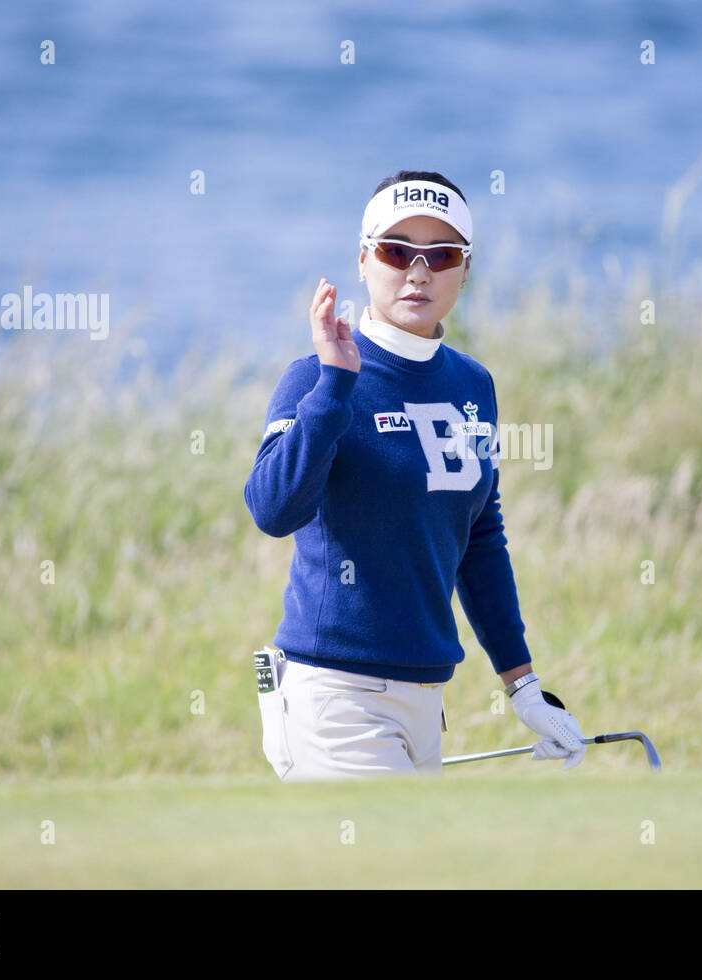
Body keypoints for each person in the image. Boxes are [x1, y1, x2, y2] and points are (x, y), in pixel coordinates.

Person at [243, 169, 588, 781]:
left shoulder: (472, 383)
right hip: (334, 698)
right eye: (397, 251)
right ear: (363, 260)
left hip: (427, 701)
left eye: (442, 254)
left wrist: (524, 688)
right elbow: (272, 510)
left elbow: (479, 543)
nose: (419, 272)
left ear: (465, 269)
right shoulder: (313, 378)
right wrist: (335, 387)